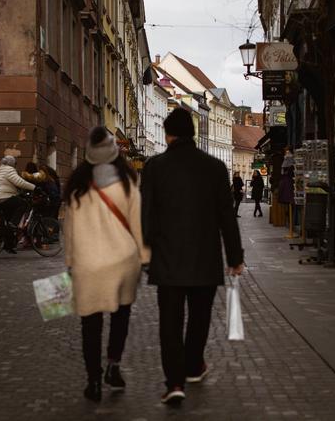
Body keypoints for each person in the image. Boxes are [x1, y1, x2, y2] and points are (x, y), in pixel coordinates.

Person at [141, 108, 244, 405]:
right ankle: (194, 364)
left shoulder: (155, 167)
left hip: (167, 259)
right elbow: (227, 217)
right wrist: (235, 256)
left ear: (168, 134)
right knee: (200, 318)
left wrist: (147, 249)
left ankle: (174, 382)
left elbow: (147, 214)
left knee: (170, 323)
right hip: (205, 258)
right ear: (193, 134)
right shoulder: (214, 168)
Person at [63, 126, 150, 402]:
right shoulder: (127, 183)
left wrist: (70, 263)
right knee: (120, 317)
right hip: (123, 262)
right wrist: (145, 258)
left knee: (90, 325)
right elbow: (139, 226)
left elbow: (70, 231)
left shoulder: (77, 188)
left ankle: (93, 381)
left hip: (87, 265)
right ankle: (113, 366)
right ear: (114, 153)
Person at [0, 155, 35, 253]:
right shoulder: (9, 169)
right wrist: (34, 187)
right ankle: (13, 225)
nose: (15, 165)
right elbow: (18, 181)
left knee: (7, 220)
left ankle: (8, 245)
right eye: (15, 163)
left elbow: (9, 184)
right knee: (23, 204)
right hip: (2, 198)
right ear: (12, 163)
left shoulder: (0, 169)